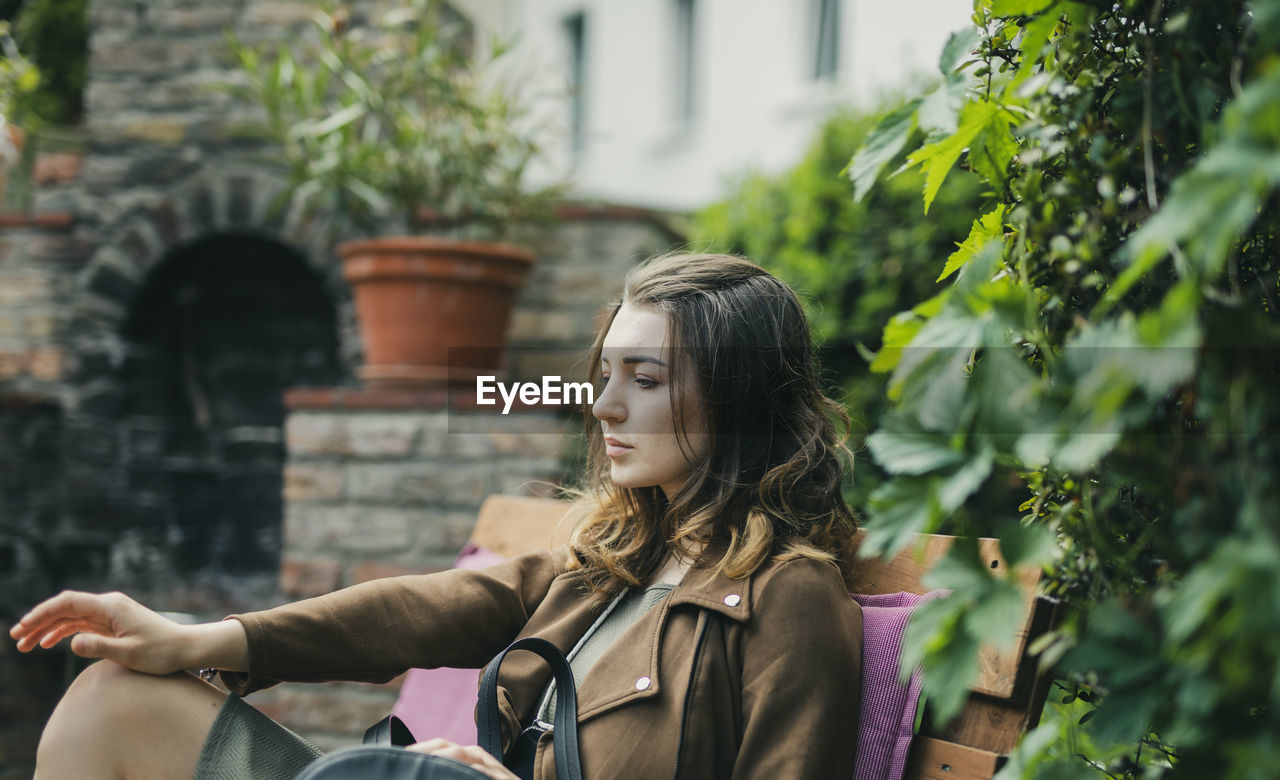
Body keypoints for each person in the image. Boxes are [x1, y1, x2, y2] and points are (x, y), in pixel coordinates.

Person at [11, 252, 864, 780]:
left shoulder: (787, 601)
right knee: (115, 697)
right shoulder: (620, 557)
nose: (603, 407)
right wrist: (200, 639)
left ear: (741, 398)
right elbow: (423, 613)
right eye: (604, 375)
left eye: (645, 380)